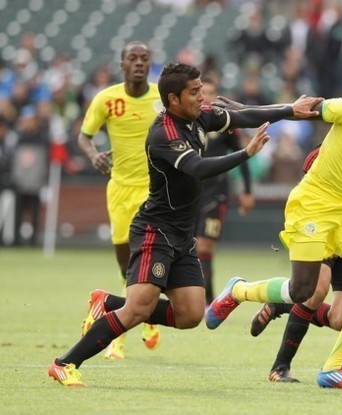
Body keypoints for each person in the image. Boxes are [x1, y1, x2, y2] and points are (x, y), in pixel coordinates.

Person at [47, 62, 322, 386]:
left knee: (191, 314)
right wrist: (246, 153)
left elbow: (244, 114)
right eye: (194, 91)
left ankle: (107, 302)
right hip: (155, 230)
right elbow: (197, 167)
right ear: (173, 99)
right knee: (137, 310)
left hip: (181, 233)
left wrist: (292, 109)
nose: (202, 95)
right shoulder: (164, 132)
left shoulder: (199, 117)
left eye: (201, 88)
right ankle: (64, 363)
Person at [206, 71, 342, 390]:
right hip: (314, 202)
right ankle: (238, 291)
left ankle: (335, 367)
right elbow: (301, 109)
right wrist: (242, 110)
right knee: (303, 291)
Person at [76, 41, 163, 360]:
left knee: (154, 255)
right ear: (122, 64)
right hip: (121, 189)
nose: (139, 63)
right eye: (133, 58)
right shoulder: (106, 99)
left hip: (155, 189)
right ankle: (143, 314)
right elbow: (84, 135)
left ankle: (125, 334)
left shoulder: (161, 97)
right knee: (124, 260)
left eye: (145, 58)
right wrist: (93, 154)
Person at [194, 78, 254, 305]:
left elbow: (244, 154)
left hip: (216, 193)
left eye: (211, 92)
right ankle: (192, 296)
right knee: (189, 247)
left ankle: (207, 300)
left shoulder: (224, 124)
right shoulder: (186, 121)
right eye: (202, 92)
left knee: (204, 245)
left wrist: (247, 191)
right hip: (190, 193)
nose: (206, 97)